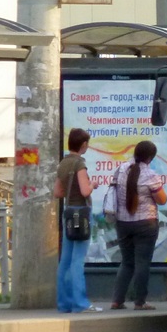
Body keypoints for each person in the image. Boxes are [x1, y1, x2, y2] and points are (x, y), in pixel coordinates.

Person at [110, 140, 167, 311]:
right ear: (150, 157)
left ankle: (117, 300)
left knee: (127, 262)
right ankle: (140, 301)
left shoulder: (120, 170)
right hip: (145, 224)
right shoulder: (150, 175)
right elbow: (162, 200)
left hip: (123, 223)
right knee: (142, 262)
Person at [53, 128, 102, 313]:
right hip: (81, 213)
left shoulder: (63, 163)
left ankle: (64, 304)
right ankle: (81, 303)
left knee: (65, 260)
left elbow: (57, 192)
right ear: (83, 145)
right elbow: (85, 191)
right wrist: (92, 184)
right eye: (87, 143)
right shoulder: (79, 164)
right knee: (77, 260)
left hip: (68, 212)